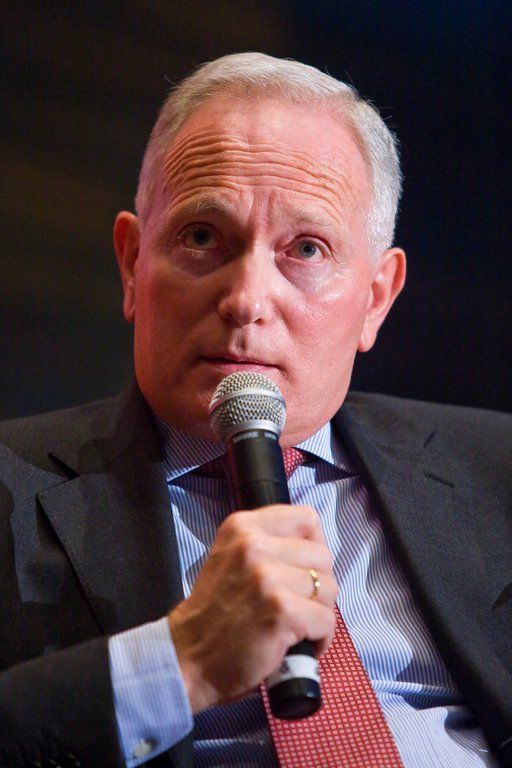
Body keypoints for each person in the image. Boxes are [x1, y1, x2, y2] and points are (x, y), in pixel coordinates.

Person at [0, 52, 510, 768]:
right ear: (132, 264)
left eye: (307, 248)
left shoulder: (497, 471)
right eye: (203, 237)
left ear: (375, 299)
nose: (246, 299)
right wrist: (182, 660)